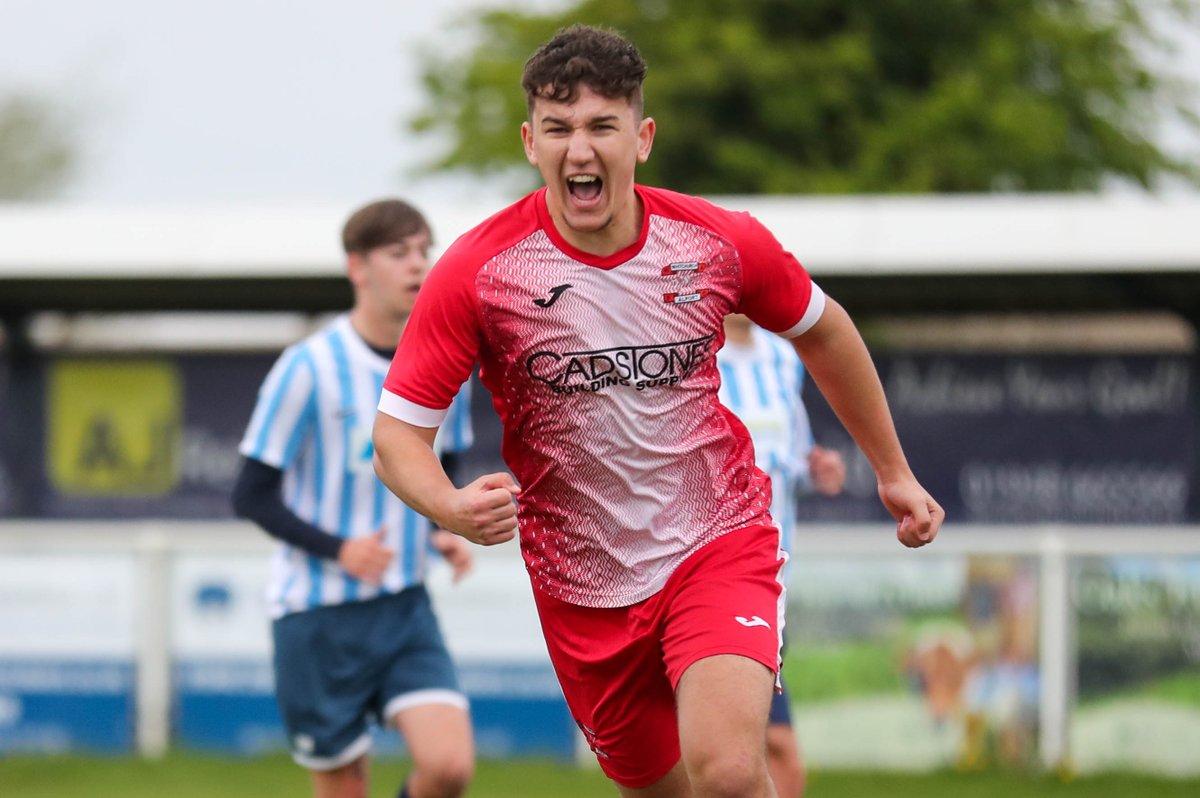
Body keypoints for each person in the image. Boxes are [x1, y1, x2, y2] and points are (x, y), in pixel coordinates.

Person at [372, 24, 944, 798]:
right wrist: (448, 504)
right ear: (529, 143)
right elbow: (398, 433)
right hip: (583, 588)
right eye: (560, 129)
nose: (581, 149)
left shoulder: (714, 242)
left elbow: (825, 330)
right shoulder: (480, 272)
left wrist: (894, 471)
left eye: (602, 126)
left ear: (640, 138)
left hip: (718, 539)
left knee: (733, 773)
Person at [232, 198, 476, 798]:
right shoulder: (308, 367)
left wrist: (443, 524)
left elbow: (442, 462)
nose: (418, 265)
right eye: (399, 253)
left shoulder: (449, 362)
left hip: (403, 606)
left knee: (448, 768)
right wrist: (340, 548)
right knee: (345, 787)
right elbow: (251, 495)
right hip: (318, 616)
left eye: (425, 250)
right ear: (358, 268)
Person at [716, 312, 848, 797]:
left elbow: (794, 451)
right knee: (762, 750)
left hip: (770, 583)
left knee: (771, 754)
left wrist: (818, 466)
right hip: (709, 579)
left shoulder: (782, 356)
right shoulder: (689, 354)